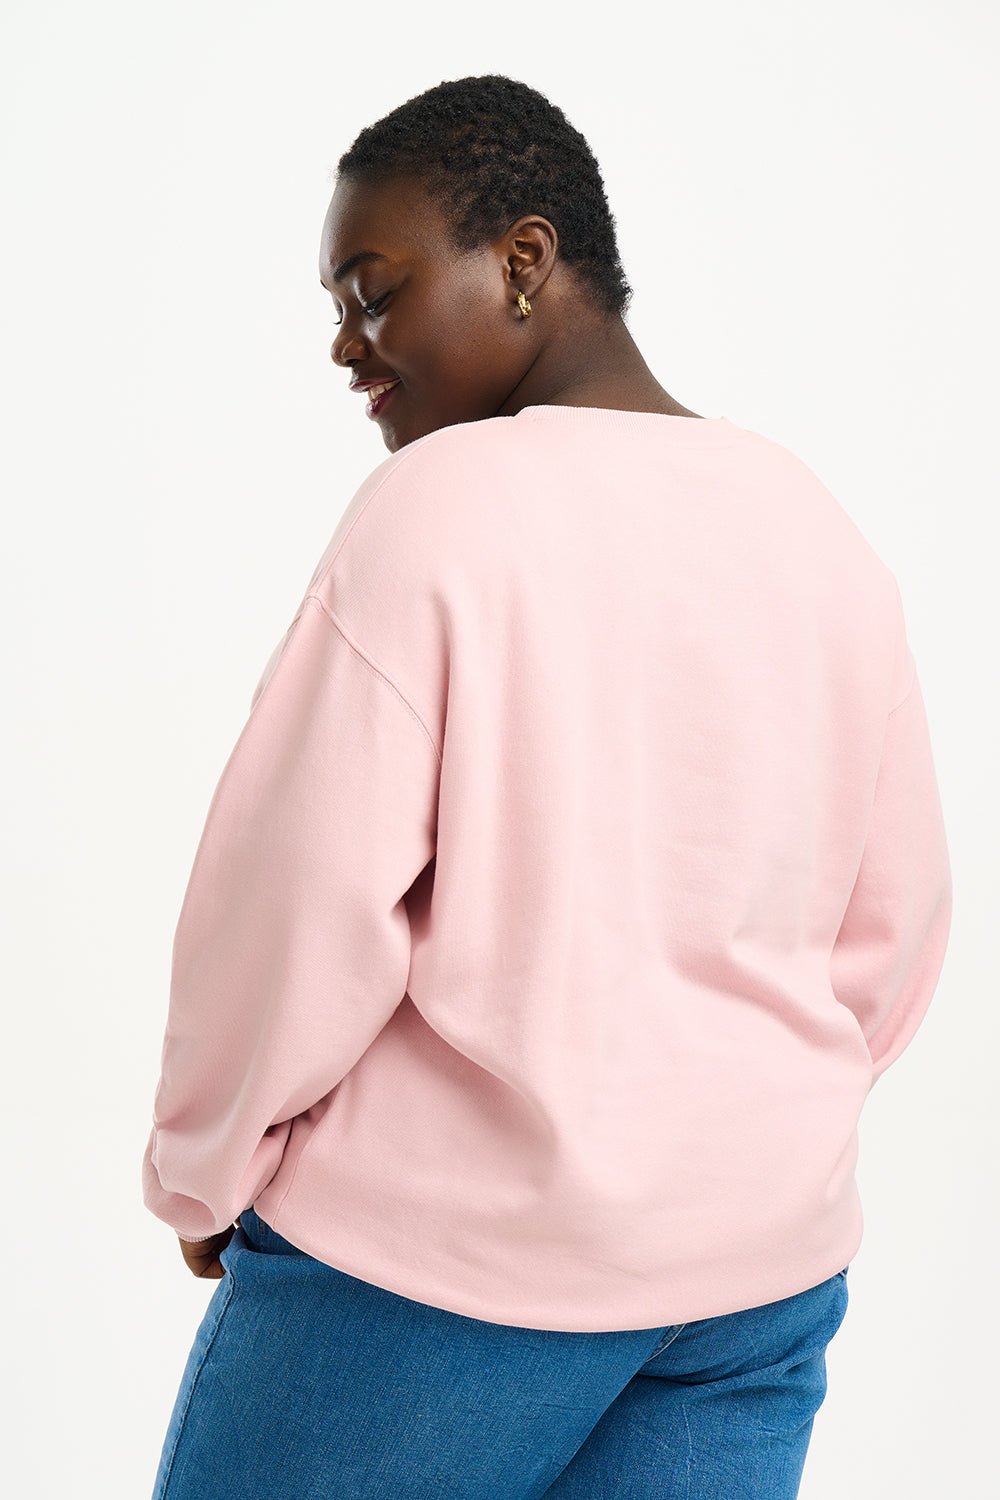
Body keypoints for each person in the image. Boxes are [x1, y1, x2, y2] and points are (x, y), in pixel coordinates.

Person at [142, 75, 952, 1499]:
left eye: (374, 292)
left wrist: (206, 1165)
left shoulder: (441, 509)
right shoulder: (815, 527)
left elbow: (296, 904)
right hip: (753, 1285)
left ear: (524, 259)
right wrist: (734, 1129)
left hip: (441, 1279)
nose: (345, 343)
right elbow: (896, 926)